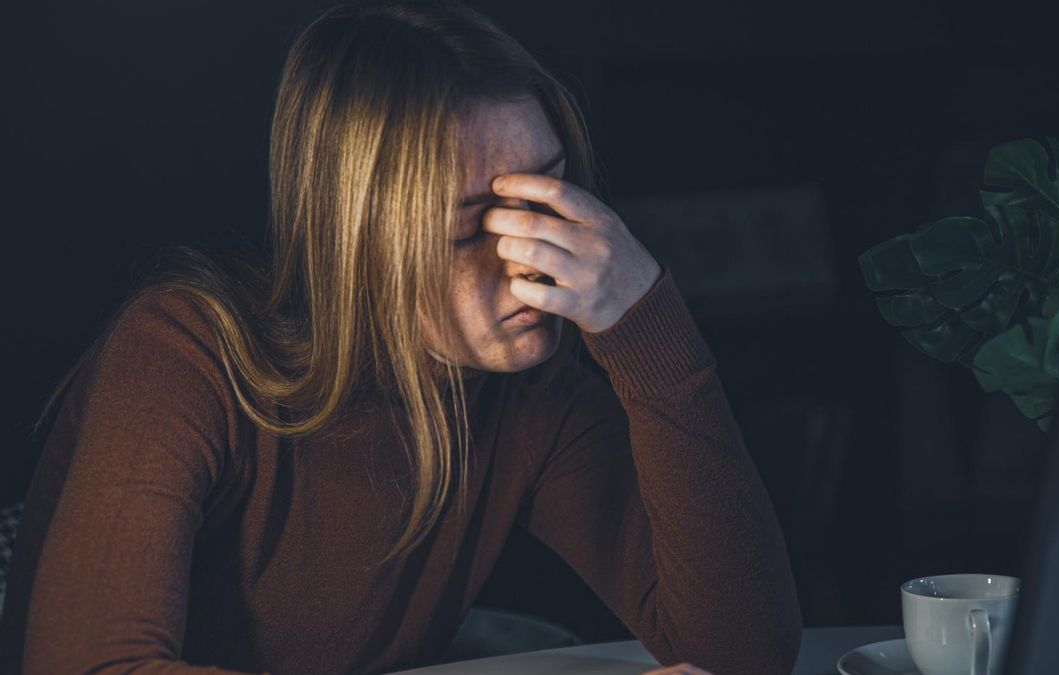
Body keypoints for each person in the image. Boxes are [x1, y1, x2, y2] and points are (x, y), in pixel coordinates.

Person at [0, 1, 802, 673]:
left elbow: (739, 654)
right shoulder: (185, 351)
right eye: (467, 232)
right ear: (358, 241)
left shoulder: (529, 391)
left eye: (544, 201)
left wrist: (645, 323)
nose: (533, 265)